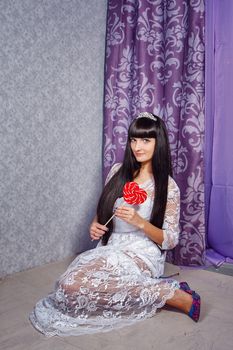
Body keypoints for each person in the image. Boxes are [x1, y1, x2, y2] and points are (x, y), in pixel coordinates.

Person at [29, 112, 201, 337]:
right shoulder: (117, 171)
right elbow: (103, 208)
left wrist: (139, 221)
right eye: (133, 139)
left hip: (142, 251)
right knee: (68, 286)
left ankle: (176, 296)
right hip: (109, 247)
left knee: (76, 289)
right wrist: (95, 224)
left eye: (145, 140)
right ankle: (163, 290)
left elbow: (170, 240)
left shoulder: (168, 186)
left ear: (159, 143)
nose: (137, 146)